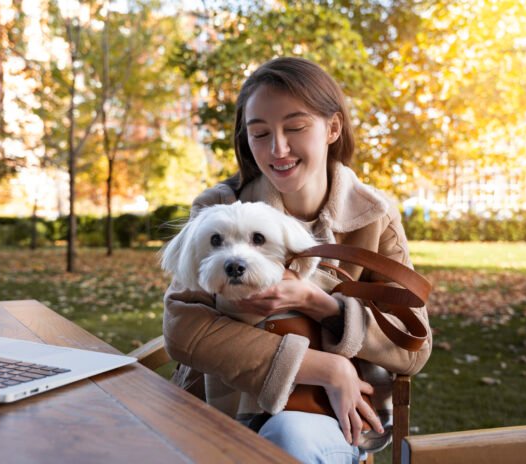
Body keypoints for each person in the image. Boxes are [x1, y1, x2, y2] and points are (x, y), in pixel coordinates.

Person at [163, 57, 432, 464]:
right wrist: (321, 367)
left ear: (333, 128)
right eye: (260, 133)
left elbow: (414, 348)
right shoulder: (220, 206)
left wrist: (318, 302)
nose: (278, 149)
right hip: (225, 412)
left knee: (289, 436)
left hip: (325, 419)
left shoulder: (374, 216)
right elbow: (183, 327)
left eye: (295, 127)